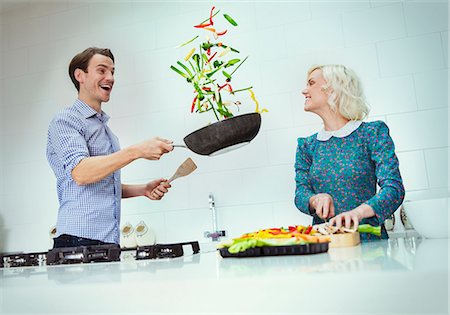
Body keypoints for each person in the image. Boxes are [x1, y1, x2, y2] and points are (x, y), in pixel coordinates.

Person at [47, 47, 174, 248]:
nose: (111, 77)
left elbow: (101, 185)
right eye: (102, 70)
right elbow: (81, 173)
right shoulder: (65, 121)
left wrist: (143, 190)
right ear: (80, 75)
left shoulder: (105, 131)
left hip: (108, 240)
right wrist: (137, 151)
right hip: (77, 240)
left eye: (112, 72)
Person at [294, 64, 405, 241]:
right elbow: (301, 193)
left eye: (311, 83)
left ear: (332, 88)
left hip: (369, 245)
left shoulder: (372, 133)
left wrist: (358, 213)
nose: (304, 90)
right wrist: (314, 200)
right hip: (324, 244)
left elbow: (394, 189)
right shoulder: (307, 146)